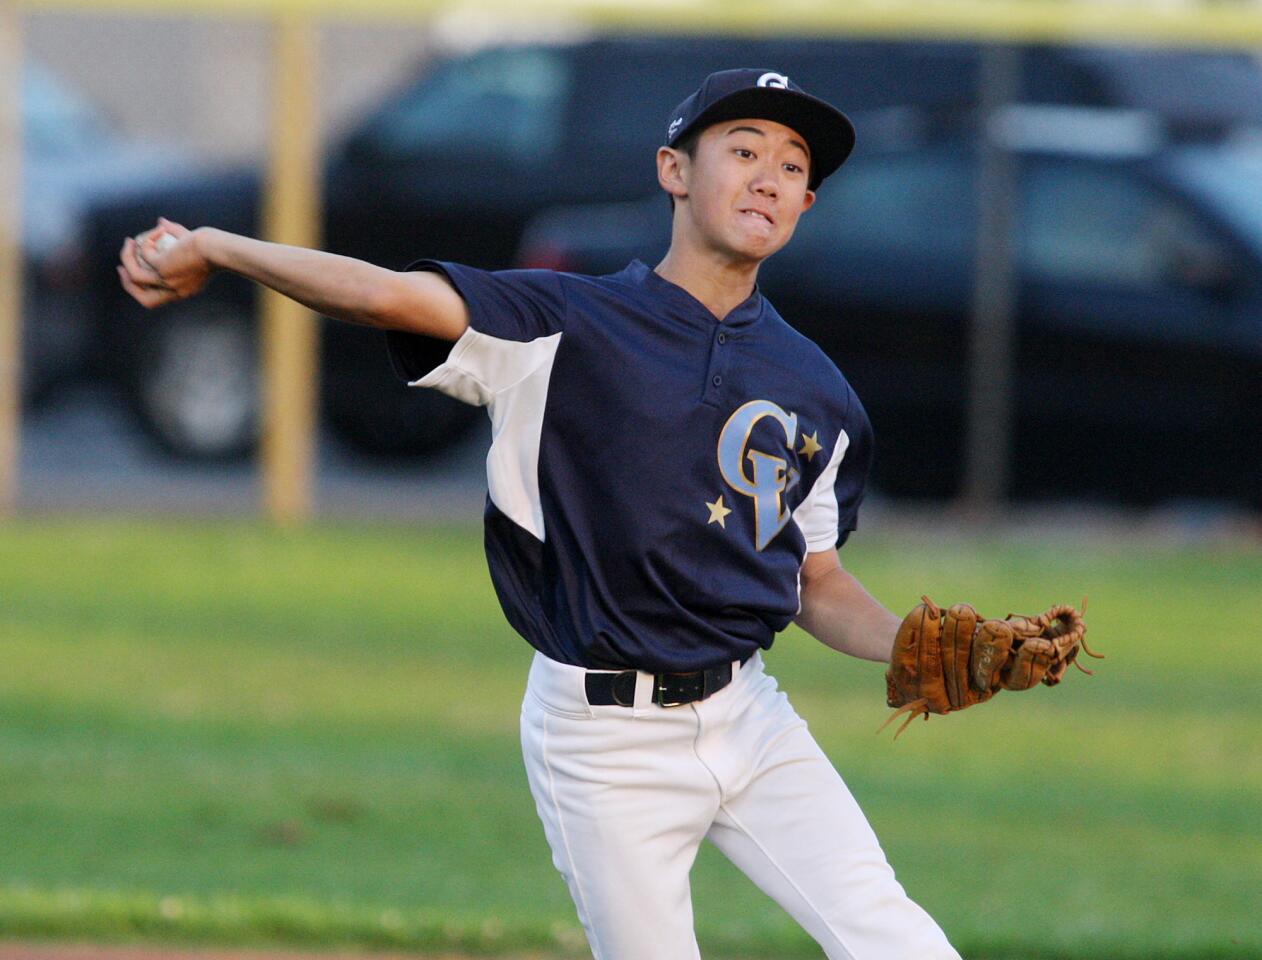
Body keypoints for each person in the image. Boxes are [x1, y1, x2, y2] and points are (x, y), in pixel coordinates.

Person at [118, 68, 961, 960]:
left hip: (750, 714)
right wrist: (219, 246)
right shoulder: (559, 325)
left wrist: (913, 642)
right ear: (673, 170)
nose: (767, 178)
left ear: (807, 201)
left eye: (791, 167)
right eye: (742, 151)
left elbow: (813, 581)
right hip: (603, 739)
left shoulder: (817, 389)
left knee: (896, 938)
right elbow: (380, 294)